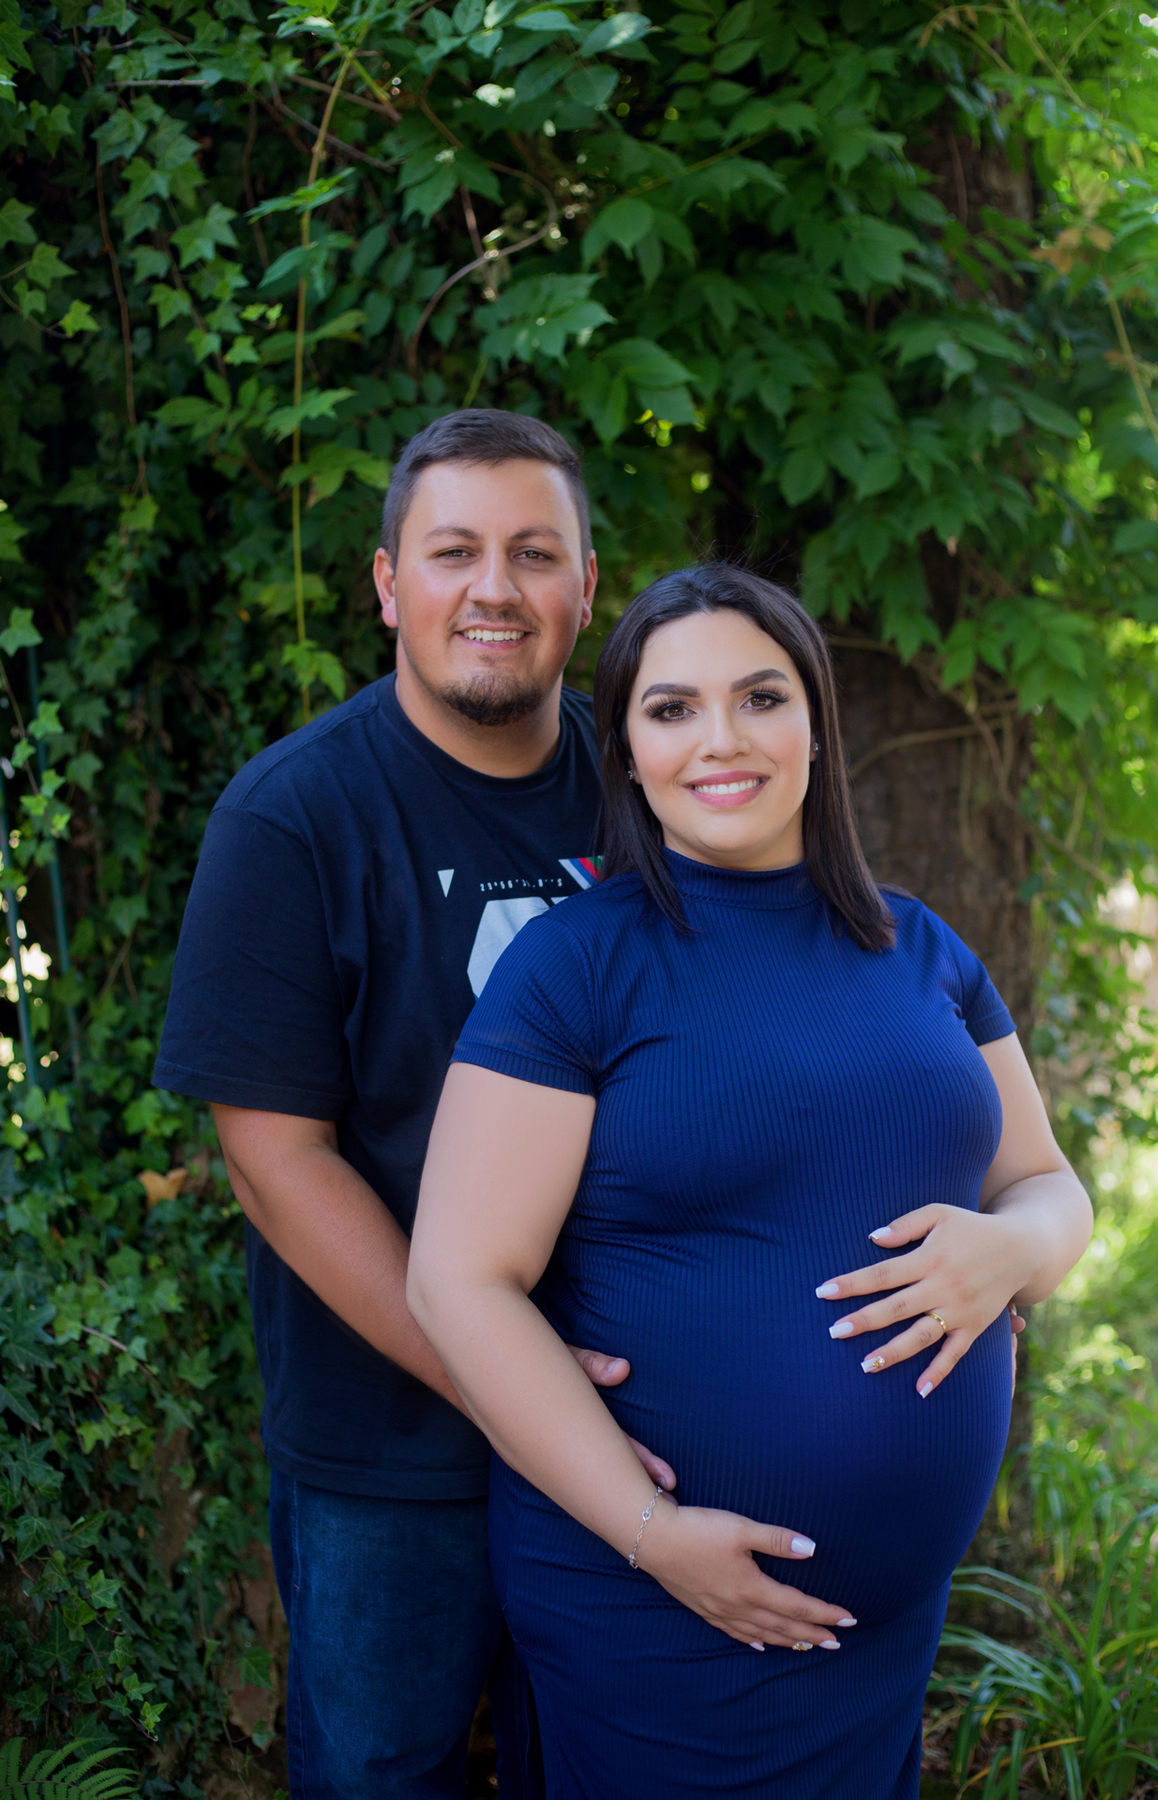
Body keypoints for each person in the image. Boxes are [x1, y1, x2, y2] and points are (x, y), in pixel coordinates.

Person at [408, 563, 1093, 1800]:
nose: (720, 740)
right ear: (623, 749)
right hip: (653, 1607)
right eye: (671, 709)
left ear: (817, 726)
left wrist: (1016, 1250)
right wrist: (654, 1536)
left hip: (879, 1636)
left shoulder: (919, 947)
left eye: (760, 697)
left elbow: (1047, 1182)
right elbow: (459, 1280)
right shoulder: (576, 969)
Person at [152, 410, 677, 1800]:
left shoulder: (655, 796)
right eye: (452, 552)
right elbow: (278, 1164)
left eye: (532, 553)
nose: (493, 588)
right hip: (391, 1454)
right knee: (386, 1776)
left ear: (582, 587)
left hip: (652, 1425)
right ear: (389, 583)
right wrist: (514, 1390)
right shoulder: (293, 820)